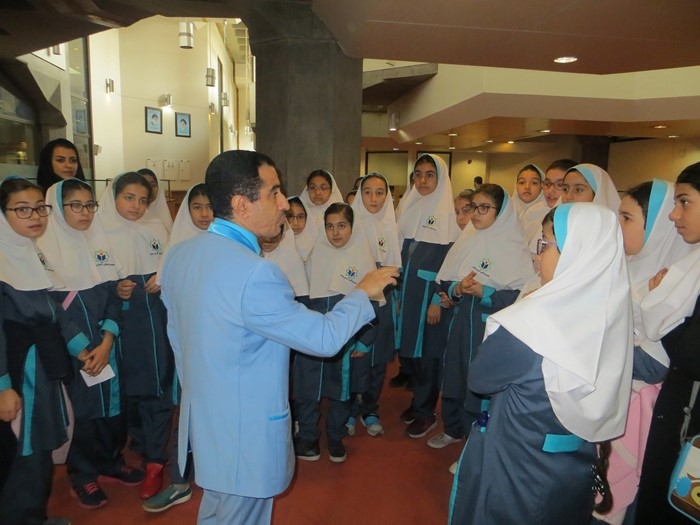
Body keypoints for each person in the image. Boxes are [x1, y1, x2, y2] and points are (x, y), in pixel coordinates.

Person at [160, 150, 397, 525]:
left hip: (206, 422)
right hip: (245, 434)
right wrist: (363, 292)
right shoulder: (255, 273)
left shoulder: (180, 256)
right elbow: (323, 339)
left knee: (218, 513)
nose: (285, 203)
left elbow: (179, 339)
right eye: (273, 192)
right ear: (242, 204)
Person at [449, 203, 633, 525]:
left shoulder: (529, 325)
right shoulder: (613, 313)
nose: (536, 255)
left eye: (546, 244)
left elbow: (479, 379)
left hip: (517, 461)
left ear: (575, 251)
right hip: (574, 465)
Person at [37, 179, 144, 510]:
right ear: (57, 208)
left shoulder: (100, 244)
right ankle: (82, 473)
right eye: (75, 205)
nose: (85, 212)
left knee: (113, 407)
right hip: (75, 352)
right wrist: (82, 349)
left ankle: (110, 461)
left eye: (89, 205)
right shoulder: (43, 251)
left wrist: (108, 339)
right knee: (84, 413)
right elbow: (53, 311)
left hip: (106, 345)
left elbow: (113, 295)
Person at [590, 179, 691, 525]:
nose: (618, 225)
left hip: (637, 414)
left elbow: (655, 364)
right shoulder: (627, 264)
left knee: (620, 499)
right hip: (612, 401)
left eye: (627, 218)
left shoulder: (674, 279)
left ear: (658, 227)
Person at [0, 176, 93, 525]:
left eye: (40, 208)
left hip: (41, 364)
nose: (36, 216)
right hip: (18, 370)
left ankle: (33, 515)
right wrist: (2, 386)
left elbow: (53, 309)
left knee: (38, 444)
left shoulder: (29, 251)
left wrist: (80, 347)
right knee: (22, 447)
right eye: (22, 209)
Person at [431, 184, 533, 459]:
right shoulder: (468, 239)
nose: (475, 214)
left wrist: (485, 292)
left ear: (501, 212)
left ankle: (473, 447)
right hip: (460, 322)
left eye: (484, 208)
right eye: (473, 207)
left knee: (478, 382)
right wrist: (458, 288)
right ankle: (453, 429)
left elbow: (521, 296)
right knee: (455, 375)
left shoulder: (515, 248)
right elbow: (447, 282)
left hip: (488, 328)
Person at [97, 172, 173, 500]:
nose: (136, 206)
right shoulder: (97, 231)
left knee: (157, 386)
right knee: (125, 392)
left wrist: (163, 274)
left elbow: (173, 264)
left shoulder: (156, 229)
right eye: (129, 197)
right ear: (113, 196)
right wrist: (114, 287)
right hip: (117, 325)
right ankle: (134, 445)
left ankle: (155, 459)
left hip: (154, 321)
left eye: (143, 200)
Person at [635, 162, 700, 525]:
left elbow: (694, 356)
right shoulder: (693, 263)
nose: (675, 214)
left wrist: (662, 311)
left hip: (689, 422)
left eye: (685, 202)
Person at [145, 182, 214, 513]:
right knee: (185, 414)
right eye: (197, 207)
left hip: (221, 347)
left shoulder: (230, 245)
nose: (204, 214)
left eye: (210, 206)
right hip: (187, 346)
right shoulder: (177, 249)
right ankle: (179, 481)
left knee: (220, 415)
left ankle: (218, 477)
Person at [294, 203, 380, 463]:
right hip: (312, 335)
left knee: (342, 390)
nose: (335, 232)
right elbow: (302, 296)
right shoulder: (315, 255)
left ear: (353, 227)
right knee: (307, 388)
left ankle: (335, 436)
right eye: (330, 226)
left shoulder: (364, 261)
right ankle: (308, 437)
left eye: (341, 225)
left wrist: (364, 343)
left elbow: (374, 307)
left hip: (347, 339)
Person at [395, 154, 459, 439]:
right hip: (409, 295)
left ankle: (426, 413)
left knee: (428, 356)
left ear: (440, 178)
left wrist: (436, 299)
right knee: (411, 353)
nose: (422, 180)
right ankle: (418, 402)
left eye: (429, 175)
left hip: (430, 299)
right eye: (418, 174)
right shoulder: (410, 208)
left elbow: (452, 266)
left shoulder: (449, 218)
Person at [348, 173, 402, 437]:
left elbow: (395, 268)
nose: (373, 198)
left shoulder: (391, 226)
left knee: (378, 359)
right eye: (367, 192)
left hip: (385, 299)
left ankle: (369, 409)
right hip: (357, 295)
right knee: (355, 356)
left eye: (380, 193)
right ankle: (348, 409)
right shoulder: (351, 224)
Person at [513, 164, 550, 245]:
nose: (527, 187)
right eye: (522, 182)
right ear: (516, 185)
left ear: (542, 186)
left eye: (534, 183)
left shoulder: (548, 214)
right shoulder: (507, 211)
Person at [136, 168, 173, 233]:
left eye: (153, 185)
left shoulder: (165, 223)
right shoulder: (128, 217)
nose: (149, 189)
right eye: (143, 184)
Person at [286, 196, 317, 264]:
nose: (295, 223)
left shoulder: (316, 243)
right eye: (290, 217)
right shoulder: (276, 244)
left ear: (307, 217)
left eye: (300, 217)